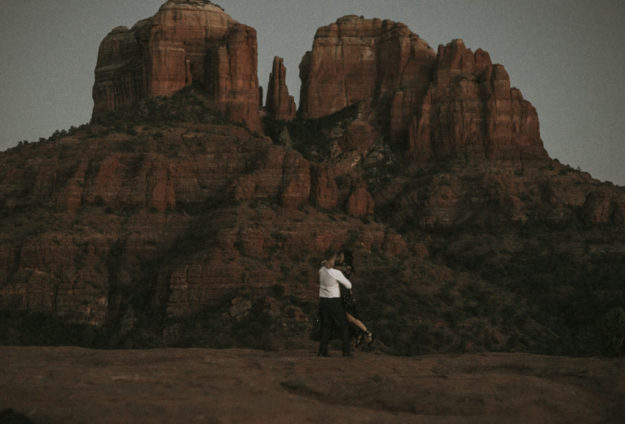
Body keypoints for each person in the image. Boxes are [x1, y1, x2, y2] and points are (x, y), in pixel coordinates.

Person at [335, 250, 373, 346]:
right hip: (344, 293)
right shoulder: (345, 267)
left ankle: (366, 332)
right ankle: (360, 333)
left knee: (350, 317)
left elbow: (334, 269)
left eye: (341, 255)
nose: (340, 257)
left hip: (344, 294)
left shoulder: (346, 267)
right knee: (349, 318)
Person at [318, 250, 353, 357]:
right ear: (331, 260)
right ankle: (346, 351)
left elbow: (324, 267)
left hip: (323, 300)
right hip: (334, 301)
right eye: (334, 259)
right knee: (343, 325)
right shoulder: (336, 273)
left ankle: (322, 351)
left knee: (326, 326)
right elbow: (349, 285)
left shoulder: (321, 270)